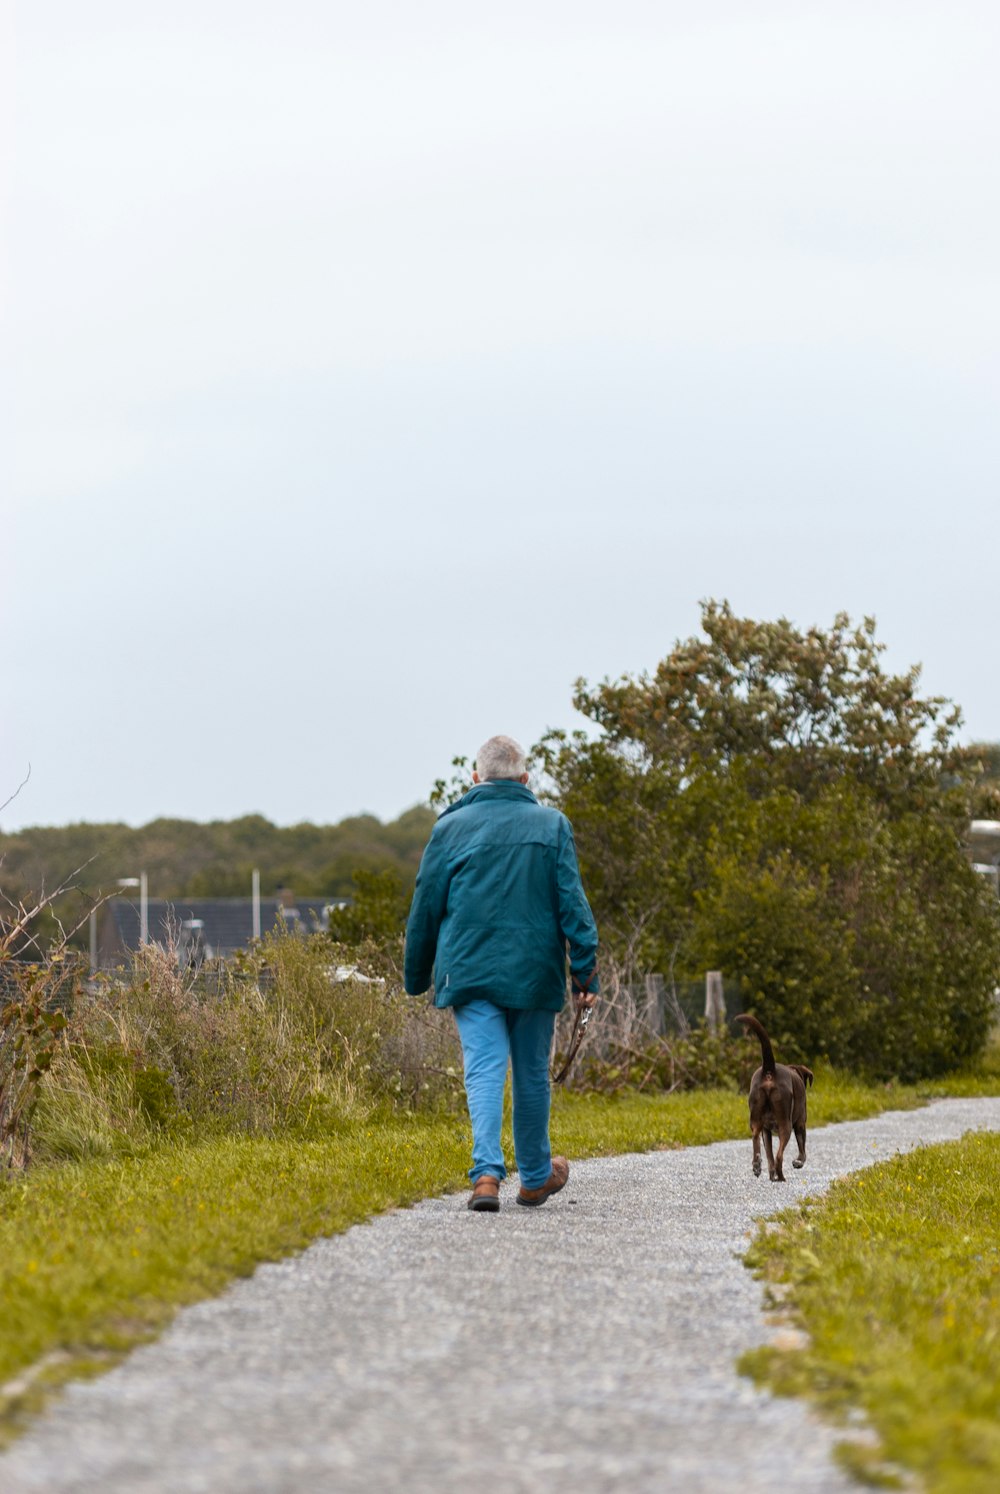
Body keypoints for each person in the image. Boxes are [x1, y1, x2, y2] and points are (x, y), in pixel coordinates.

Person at [404, 734, 599, 1212]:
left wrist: (416, 975)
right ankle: (534, 1177)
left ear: (476, 778)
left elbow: (425, 908)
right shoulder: (552, 826)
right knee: (531, 1073)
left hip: (469, 970)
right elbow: (574, 907)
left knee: (485, 1069)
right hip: (535, 973)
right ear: (526, 779)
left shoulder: (450, 828)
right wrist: (585, 975)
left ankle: (486, 1176)